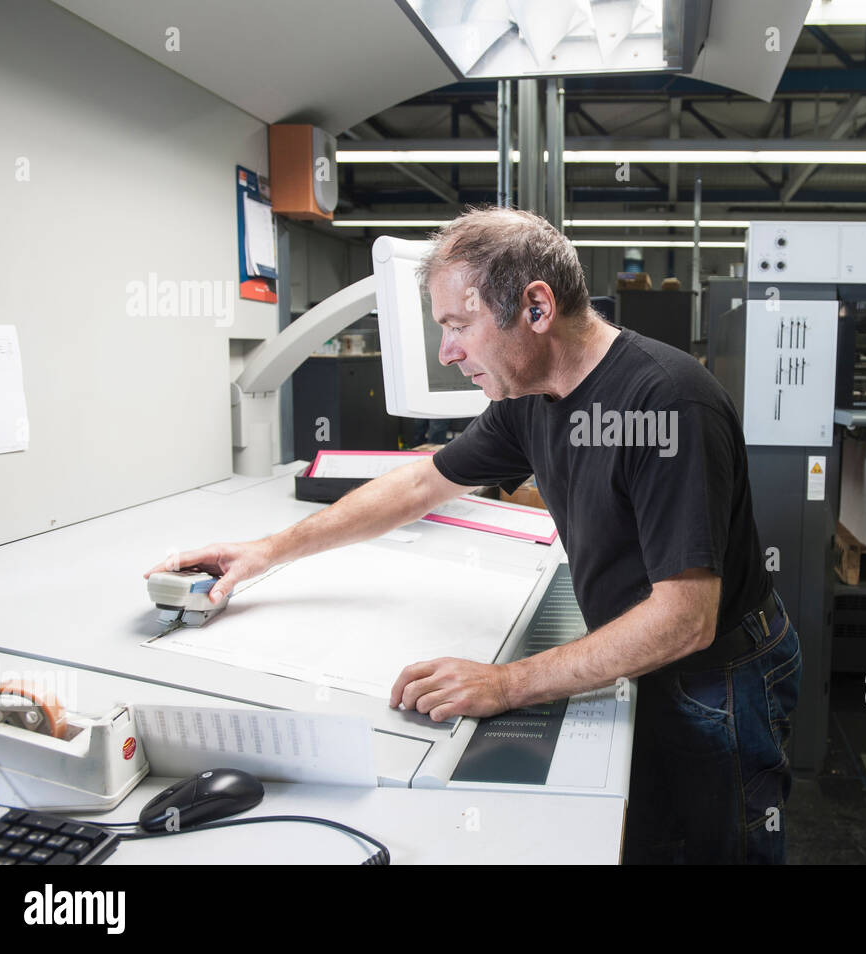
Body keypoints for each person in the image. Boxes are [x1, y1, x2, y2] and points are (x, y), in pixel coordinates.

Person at [144, 206, 801, 864]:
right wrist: (266, 551)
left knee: (726, 850)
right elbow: (419, 485)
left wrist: (507, 684)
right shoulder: (531, 398)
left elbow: (685, 619)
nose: (446, 351)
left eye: (459, 325)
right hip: (640, 662)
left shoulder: (664, 403)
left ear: (536, 308)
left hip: (719, 680)